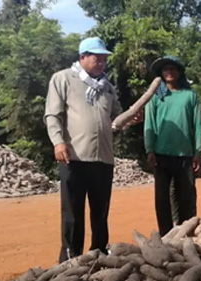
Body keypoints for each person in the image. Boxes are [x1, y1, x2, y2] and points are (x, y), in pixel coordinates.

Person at [45, 37, 134, 263]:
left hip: (103, 159)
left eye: (104, 58)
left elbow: (117, 117)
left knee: (100, 212)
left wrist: (130, 119)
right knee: (72, 214)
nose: (102, 62)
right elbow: (52, 115)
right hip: (73, 157)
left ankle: (98, 256)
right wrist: (58, 141)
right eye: (97, 57)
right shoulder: (63, 79)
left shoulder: (107, 87)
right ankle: (70, 260)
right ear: (82, 57)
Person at [144, 56, 201, 236]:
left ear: (179, 72)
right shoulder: (156, 96)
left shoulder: (189, 95)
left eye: (173, 69)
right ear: (161, 74)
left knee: (186, 196)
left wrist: (198, 152)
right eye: (165, 69)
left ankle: (187, 232)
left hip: (185, 155)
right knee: (162, 198)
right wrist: (150, 150)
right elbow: (149, 124)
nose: (169, 72)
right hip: (161, 154)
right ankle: (166, 234)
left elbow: (197, 125)